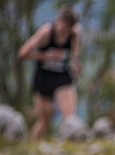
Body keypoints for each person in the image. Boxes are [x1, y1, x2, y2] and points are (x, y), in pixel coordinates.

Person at [18, 4, 82, 140]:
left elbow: (75, 54)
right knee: (45, 120)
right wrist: (46, 56)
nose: (65, 33)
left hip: (61, 76)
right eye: (63, 29)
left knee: (70, 117)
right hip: (43, 78)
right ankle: (33, 147)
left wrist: (76, 65)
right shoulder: (46, 32)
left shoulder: (75, 33)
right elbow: (22, 54)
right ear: (59, 21)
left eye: (68, 30)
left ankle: (70, 146)